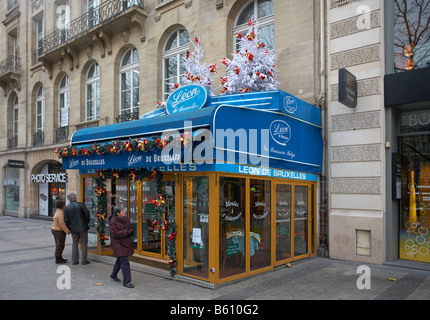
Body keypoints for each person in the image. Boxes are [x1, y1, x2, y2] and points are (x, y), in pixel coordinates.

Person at [109, 206, 135, 288]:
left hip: (126, 243)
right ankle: (127, 281)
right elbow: (115, 234)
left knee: (120, 260)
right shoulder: (113, 222)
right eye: (123, 211)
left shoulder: (125, 219)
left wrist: (130, 231)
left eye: (124, 211)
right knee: (124, 261)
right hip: (118, 244)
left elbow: (131, 228)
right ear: (118, 213)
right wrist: (126, 232)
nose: (124, 212)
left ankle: (113, 274)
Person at [64, 192, 91, 265]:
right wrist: (86, 223)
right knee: (84, 243)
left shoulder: (67, 208)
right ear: (74, 198)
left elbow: (66, 220)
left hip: (73, 228)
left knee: (75, 244)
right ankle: (84, 260)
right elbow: (87, 215)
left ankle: (75, 260)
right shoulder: (80, 205)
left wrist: (69, 227)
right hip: (83, 227)